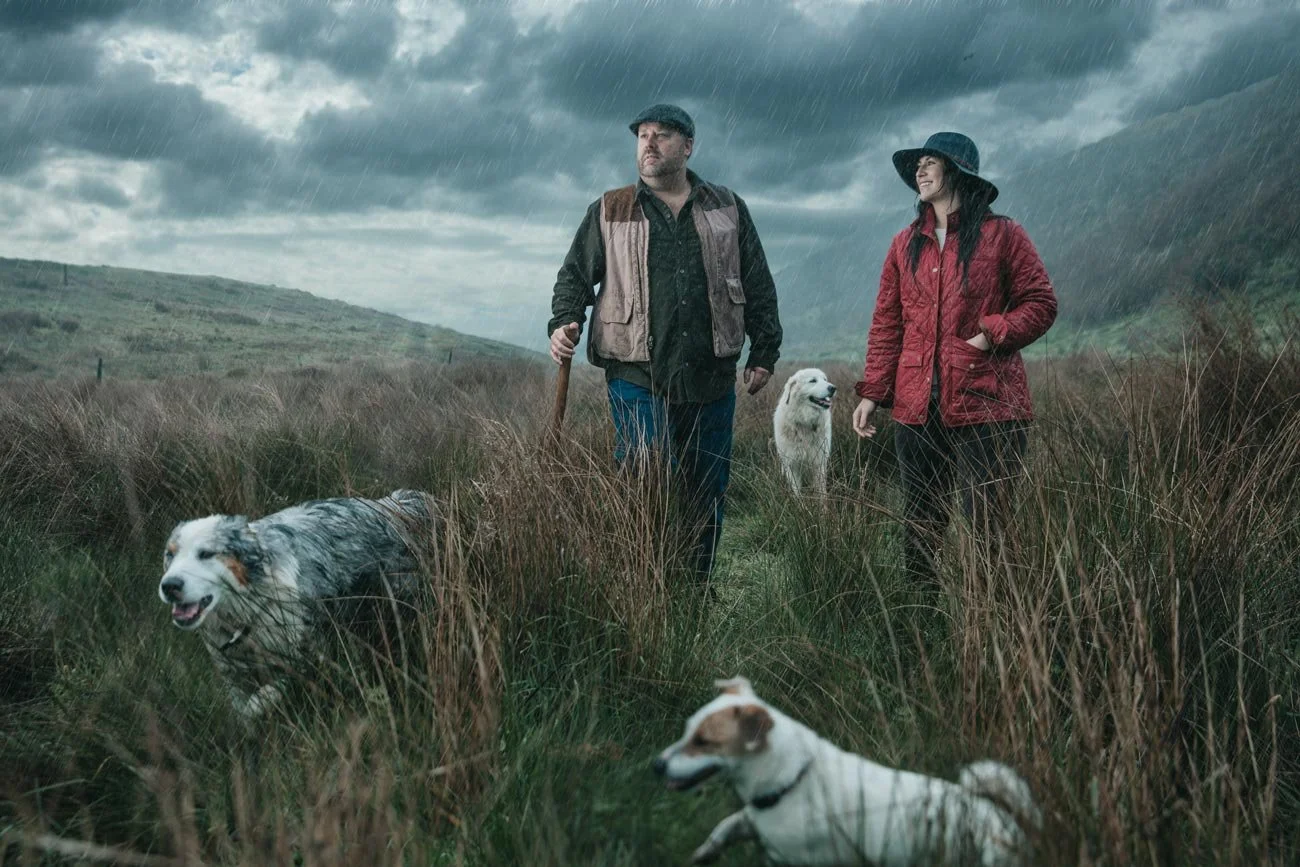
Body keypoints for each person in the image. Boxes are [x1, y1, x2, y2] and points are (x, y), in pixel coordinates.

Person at [548, 103, 782, 581]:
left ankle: (694, 590)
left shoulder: (726, 208)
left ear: (688, 146)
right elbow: (574, 276)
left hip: (709, 375)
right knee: (645, 475)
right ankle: (644, 586)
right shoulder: (611, 209)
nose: (649, 144)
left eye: (662, 135)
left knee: (706, 488)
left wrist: (764, 350)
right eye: (643, 135)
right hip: (636, 372)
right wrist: (564, 321)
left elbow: (756, 280)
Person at [851, 132, 1056, 584]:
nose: (919, 170)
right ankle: (919, 616)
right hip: (916, 405)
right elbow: (887, 323)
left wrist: (989, 336)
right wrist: (874, 392)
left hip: (988, 402)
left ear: (956, 171)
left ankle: (994, 616)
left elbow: (1041, 304)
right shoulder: (903, 244)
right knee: (921, 520)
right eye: (917, 164)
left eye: (930, 162)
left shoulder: (1004, 235)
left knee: (988, 524)